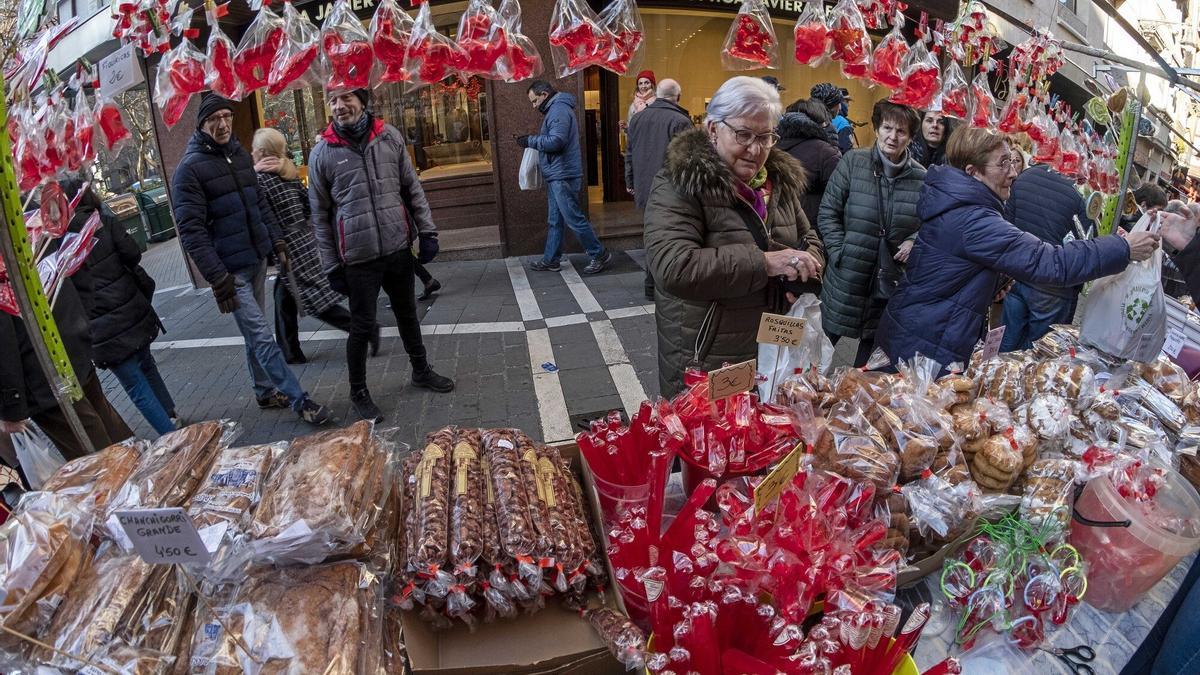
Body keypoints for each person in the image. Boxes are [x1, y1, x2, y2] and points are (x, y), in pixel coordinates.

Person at [875, 127, 1159, 370]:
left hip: (920, 329)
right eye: (1003, 164)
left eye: (1012, 161)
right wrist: (1122, 247)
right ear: (973, 172)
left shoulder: (960, 205)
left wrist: (991, 280)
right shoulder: (974, 220)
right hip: (925, 344)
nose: (1013, 172)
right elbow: (1050, 262)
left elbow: (952, 269)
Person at [644, 76, 825, 397]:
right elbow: (674, 267)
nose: (756, 149)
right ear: (713, 129)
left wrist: (804, 269)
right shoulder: (679, 183)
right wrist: (766, 263)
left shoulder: (778, 182)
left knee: (770, 434)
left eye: (766, 137)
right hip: (712, 353)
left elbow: (809, 238)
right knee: (709, 441)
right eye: (743, 134)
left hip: (775, 343)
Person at [172, 93, 332, 425]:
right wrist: (218, 278)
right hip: (230, 273)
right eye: (214, 119)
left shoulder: (240, 156)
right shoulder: (190, 170)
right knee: (261, 335)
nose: (223, 124)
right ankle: (298, 398)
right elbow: (192, 232)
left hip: (256, 260)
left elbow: (259, 205)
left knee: (253, 333)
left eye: (227, 117)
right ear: (201, 125)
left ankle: (263, 391)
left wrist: (276, 241)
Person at [309, 88, 455, 424]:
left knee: (407, 315)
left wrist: (428, 230)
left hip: (397, 247)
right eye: (332, 100)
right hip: (357, 259)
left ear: (362, 101)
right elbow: (318, 216)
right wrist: (331, 265)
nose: (339, 105)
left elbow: (411, 187)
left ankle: (421, 370)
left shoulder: (389, 137)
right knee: (361, 326)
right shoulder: (323, 153)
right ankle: (358, 391)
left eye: (345, 97)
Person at [61, 179, 180, 436]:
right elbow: (133, 253)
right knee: (147, 364)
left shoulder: (60, 242)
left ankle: (172, 437)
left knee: (136, 386)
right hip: (131, 309)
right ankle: (171, 414)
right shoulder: (103, 222)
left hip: (99, 326)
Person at [817, 101, 926, 367]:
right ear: (877, 129)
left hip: (887, 281)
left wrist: (914, 240)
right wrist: (839, 251)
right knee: (818, 354)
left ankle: (853, 405)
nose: (892, 136)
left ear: (910, 137)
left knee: (868, 364)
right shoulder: (853, 162)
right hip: (846, 276)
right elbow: (828, 211)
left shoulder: (921, 178)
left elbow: (928, 224)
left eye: (901, 131)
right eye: (887, 128)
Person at [250, 127, 368, 365]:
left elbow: (260, 216)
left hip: (287, 249)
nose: (250, 152)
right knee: (284, 299)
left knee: (313, 300)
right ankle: (290, 350)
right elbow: (307, 206)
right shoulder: (288, 173)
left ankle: (364, 329)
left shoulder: (260, 180)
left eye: (253, 149)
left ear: (261, 152)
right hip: (304, 240)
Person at [0, 281, 133, 459]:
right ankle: (145, 473)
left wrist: (12, 406)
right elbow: (77, 264)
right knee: (105, 424)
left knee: (94, 454)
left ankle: (132, 479)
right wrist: (79, 320)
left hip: (39, 371)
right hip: (67, 337)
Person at [998, 160, 1094, 351]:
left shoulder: (1024, 177)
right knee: (1038, 352)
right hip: (1052, 284)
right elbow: (1085, 242)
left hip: (1017, 275)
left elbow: (1006, 225)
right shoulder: (1079, 194)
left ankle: (995, 377)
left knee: (1007, 342)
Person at [517, 80, 612, 275]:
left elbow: (557, 142)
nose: (534, 106)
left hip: (563, 174)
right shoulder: (556, 109)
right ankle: (551, 259)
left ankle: (599, 254)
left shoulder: (558, 109)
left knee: (574, 218)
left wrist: (530, 140)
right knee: (555, 220)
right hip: (557, 174)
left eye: (535, 101)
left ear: (544, 94)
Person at [625, 78, 692, 300]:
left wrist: (630, 181)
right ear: (678, 97)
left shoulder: (638, 118)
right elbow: (687, 160)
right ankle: (661, 284)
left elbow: (630, 154)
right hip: (671, 190)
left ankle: (651, 284)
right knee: (672, 236)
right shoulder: (680, 120)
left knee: (652, 235)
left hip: (645, 187)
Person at [778, 98, 842, 228]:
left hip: (777, 225)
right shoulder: (825, 152)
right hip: (813, 228)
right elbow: (839, 197)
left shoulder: (770, 144)